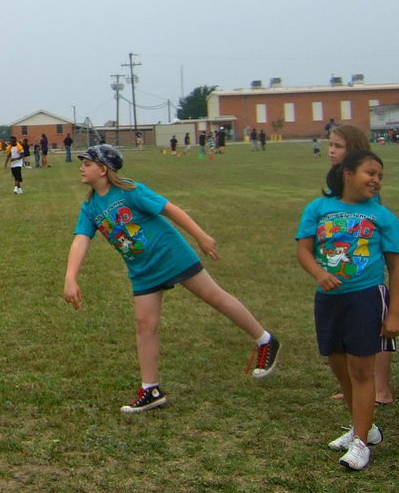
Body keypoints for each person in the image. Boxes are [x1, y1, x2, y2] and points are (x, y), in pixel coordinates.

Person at [63, 144, 280, 413]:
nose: (81, 167)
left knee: (215, 297)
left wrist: (200, 236)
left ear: (103, 170)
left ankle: (265, 340)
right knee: (145, 325)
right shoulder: (90, 206)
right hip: (142, 270)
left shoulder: (130, 190)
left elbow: (170, 209)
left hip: (170, 255)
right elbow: (80, 240)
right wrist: (71, 277)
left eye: (87, 164)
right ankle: (150, 389)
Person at [296, 150, 399, 470]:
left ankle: (361, 442)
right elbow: (303, 249)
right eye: (370, 172)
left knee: (361, 370)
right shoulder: (318, 208)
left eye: (380, 176)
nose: (376, 180)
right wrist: (318, 273)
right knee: (339, 367)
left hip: (366, 298)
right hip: (328, 301)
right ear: (348, 174)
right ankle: (362, 427)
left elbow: (396, 267)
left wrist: (394, 313)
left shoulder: (383, 216)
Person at [327, 124, 393, 405]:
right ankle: (356, 385)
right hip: (348, 270)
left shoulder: (365, 185)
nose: (331, 150)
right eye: (330, 144)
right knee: (352, 331)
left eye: (338, 146)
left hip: (369, 271)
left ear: (353, 151)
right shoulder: (338, 179)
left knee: (376, 333)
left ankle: (381, 390)